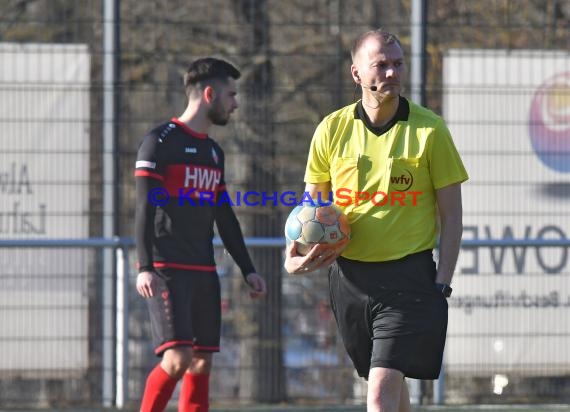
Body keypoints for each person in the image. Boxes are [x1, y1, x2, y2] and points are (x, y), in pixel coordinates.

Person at [284, 29, 468, 412]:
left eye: (397, 64)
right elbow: (310, 209)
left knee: (380, 392)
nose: (391, 73)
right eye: (380, 65)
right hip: (349, 280)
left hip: (408, 279)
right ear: (356, 73)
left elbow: (452, 217)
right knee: (384, 382)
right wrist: (295, 256)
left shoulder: (430, 130)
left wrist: (442, 283)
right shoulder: (331, 130)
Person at [134, 57, 267, 412]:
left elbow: (224, 216)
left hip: (204, 270)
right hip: (167, 268)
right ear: (209, 94)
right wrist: (145, 266)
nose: (235, 103)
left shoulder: (213, 152)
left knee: (201, 362)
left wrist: (248, 269)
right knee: (178, 358)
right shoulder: (159, 142)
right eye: (231, 95)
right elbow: (144, 208)